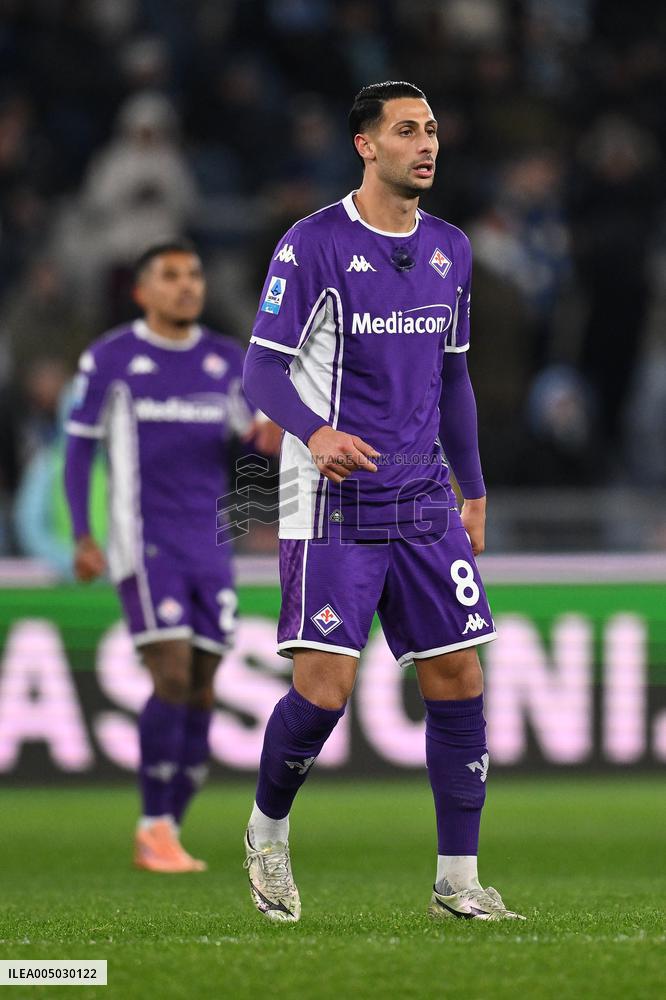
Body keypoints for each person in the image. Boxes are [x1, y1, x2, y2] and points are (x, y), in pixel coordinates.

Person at [241, 81, 524, 921]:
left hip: (424, 496)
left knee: (459, 675)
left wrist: (471, 487)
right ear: (366, 144)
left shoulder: (451, 248)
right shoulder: (313, 244)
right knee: (325, 690)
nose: (426, 144)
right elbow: (261, 368)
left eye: (432, 129)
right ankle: (266, 832)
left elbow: (454, 376)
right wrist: (314, 432)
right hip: (332, 500)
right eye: (407, 130)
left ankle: (458, 882)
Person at [64, 240, 279, 873]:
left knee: (206, 684)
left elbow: (253, 444)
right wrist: (84, 534)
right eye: (170, 276)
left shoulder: (224, 360)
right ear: (142, 291)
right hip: (144, 540)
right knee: (173, 674)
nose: (187, 286)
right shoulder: (111, 359)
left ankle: (171, 822)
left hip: (211, 543)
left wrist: (275, 438)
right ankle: (153, 822)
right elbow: (79, 450)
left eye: (193, 275)